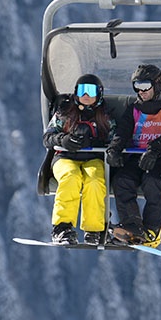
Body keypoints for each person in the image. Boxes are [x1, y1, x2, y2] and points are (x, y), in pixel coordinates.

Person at [106, 64, 161, 247]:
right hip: (136, 156)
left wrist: (155, 150)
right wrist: (114, 149)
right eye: (137, 87)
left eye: (145, 86)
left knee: (152, 181)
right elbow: (123, 132)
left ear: (157, 85)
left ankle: (152, 230)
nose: (141, 92)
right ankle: (132, 225)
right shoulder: (134, 109)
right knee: (122, 180)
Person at [42, 74, 113, 245]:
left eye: (90, 91)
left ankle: (94, 229)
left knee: (95, 180)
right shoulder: (65, 112)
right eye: (82, 90)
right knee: (71, 177)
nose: (86, 95)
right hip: (65, 158)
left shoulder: (104, 117)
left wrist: (99, 144)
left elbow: (115, 138)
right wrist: (62, 140)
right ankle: (62, 227)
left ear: (99, 94)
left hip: (93, 159)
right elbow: (47, 137)